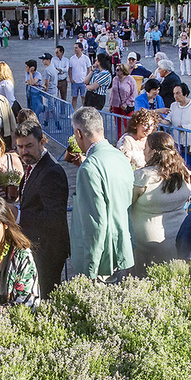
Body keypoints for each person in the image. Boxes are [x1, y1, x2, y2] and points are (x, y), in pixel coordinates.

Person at [69, 107, 135, 282]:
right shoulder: (119, 156)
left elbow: (95, 225)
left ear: (78, 133)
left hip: (103, 261)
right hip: (124, 251)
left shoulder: (89, 168)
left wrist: (90, 270)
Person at [14, 121, 69, 299]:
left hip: (48, 251)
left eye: (29, 146)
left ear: (42, 142)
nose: (24, 151)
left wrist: (19, 215)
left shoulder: (52, 172)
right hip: (36, 247)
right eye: (20, 147)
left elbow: (53, 217)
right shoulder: (32, 167)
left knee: (45, 298)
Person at [130, 132, 191, 275]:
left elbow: (127, 203)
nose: (143, 151)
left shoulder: (143, 177)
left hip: (149, 243)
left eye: (145, 147)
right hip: (181, 235)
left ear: (153, 152)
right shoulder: (184, 173)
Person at [109, 62, 138, 138]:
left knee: (127, 124)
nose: (116, 72)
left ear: (123, 70)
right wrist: (111, 104)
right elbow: (112, 92)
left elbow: (134, 93)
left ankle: (128, 139)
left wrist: (127, 103)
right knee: (117, 124)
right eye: (116, 70)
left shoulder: (130, 79)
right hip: (116, 105)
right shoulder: (115, 79)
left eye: (118, 70)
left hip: (127, 106)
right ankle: (119, 140)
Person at [68, 42, 92, 108]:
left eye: (76, 48)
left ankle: (83, 110)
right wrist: (70, 79)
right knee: (74, 97)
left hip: (83, 82)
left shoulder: (86, 58)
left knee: (83, 97)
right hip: (75, 81)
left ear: (80, 48)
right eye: (74, 48)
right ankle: (72, 112)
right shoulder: (72, 58)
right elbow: (70, 69)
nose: (75, 49)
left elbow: (89, 69)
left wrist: (87, 79)